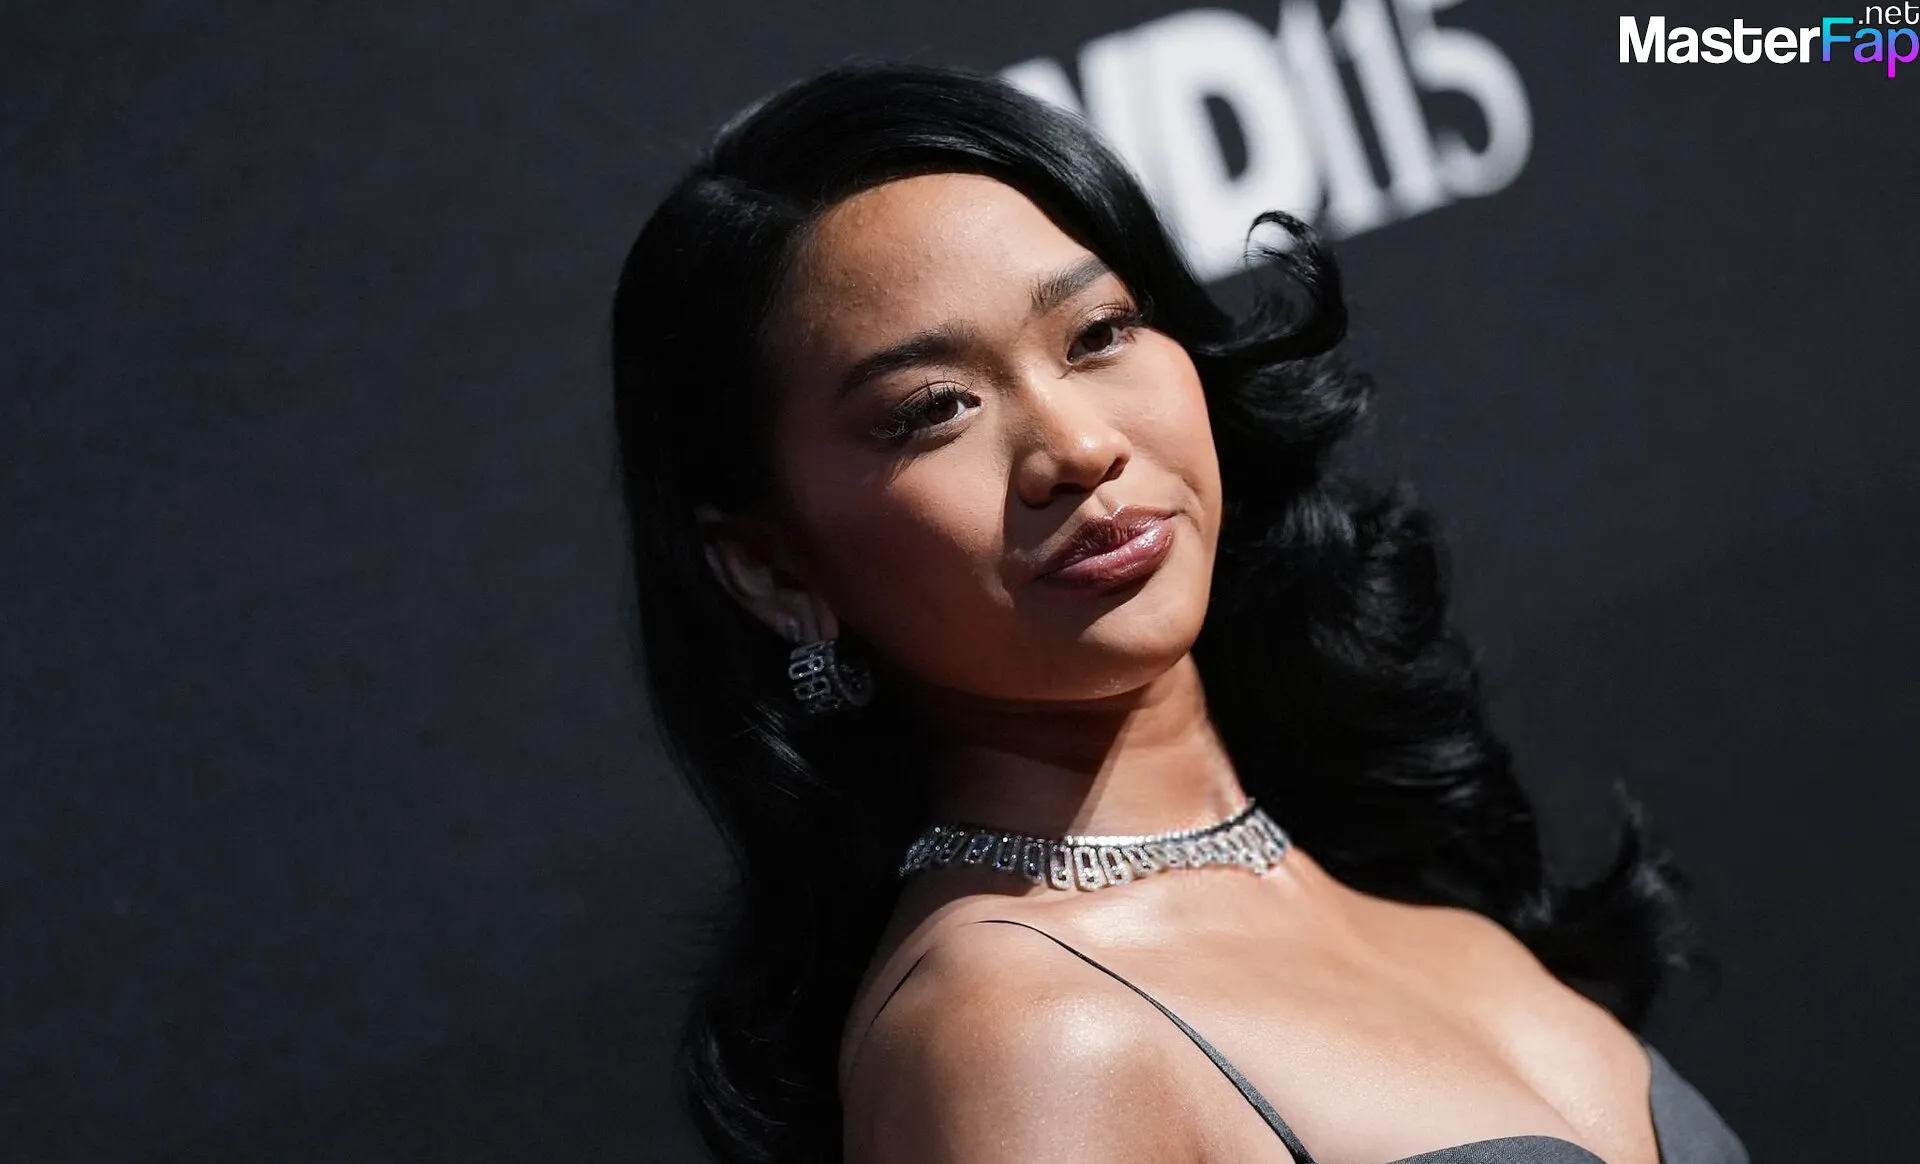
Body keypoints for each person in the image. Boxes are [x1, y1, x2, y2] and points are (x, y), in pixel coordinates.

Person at [608, 60, 1748, 1164]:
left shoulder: (1407, 891)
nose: (1077, 445)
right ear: (772, 568)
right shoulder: (1023, 1039)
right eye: (933, 408)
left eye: (1098, 334)